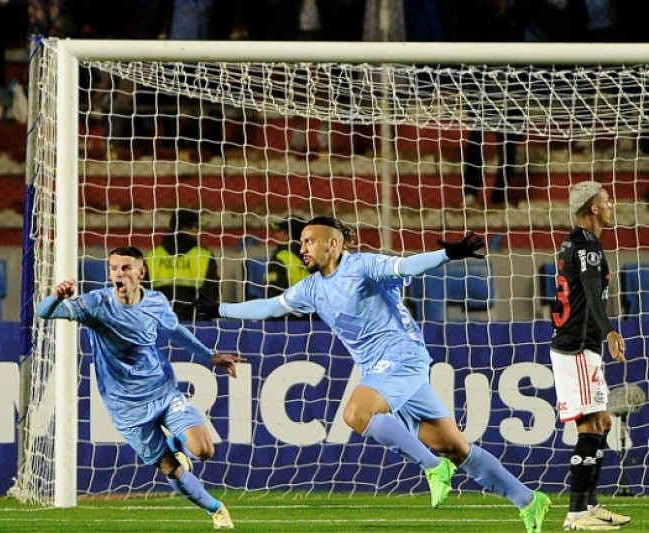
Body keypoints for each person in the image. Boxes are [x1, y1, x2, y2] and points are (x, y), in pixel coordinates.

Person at [193, 216, 551, 533]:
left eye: (309, 241)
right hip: (384, 370)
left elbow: (406, 268)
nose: (302, 248)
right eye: (301, 242)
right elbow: (271, 306)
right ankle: (529, 500)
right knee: (456, 448)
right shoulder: (313, 288)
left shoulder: (362, 266)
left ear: (332, 244)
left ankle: (431, 467)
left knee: (356, 414)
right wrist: (220, 308)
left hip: (402, 358)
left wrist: (446, 255)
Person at [37, 245, 244, 529]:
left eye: (125, 268)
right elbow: (44, 312)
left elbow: (176, 331)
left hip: (162, 391)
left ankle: (174, 442)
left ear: (141, 272)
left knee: (204, 450)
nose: (118, 274)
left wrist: (211, 356)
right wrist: (56, 297)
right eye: (113, 268)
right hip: (126, 407)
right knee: (171, 468)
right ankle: (216, 510)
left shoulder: (156, 301)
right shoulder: (96, 304)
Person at [549, 181, 631, 531]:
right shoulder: (588, 247)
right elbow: (594, 296)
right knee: (592, 425)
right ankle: (576, 514)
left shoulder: (578, 242)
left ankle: (590, 504)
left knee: (603, 423)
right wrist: (610, 331)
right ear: (593, 209)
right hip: (578, 345)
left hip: (582, 345)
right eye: (607, 201)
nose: (612, 206)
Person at [145, 209, 220, 321]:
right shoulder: (204, 256)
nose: (199, 231)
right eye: (196, 227)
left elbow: (143, 292)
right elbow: (211, 293)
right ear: (185, 228)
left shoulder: (152, 255)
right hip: (195, 322)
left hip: (159, 321)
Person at [264, 216, 308, 298]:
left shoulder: (280, 257)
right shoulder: (314, 256)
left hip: (288, 307)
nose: (277, 235)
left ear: (287, 235)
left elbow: (272, 292)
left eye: (280, 231)